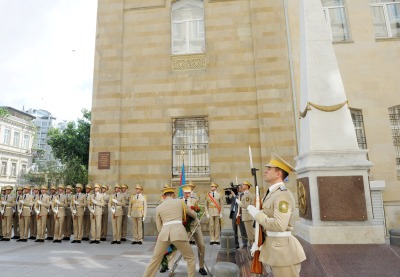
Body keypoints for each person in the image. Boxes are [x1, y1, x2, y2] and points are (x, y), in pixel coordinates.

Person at [247, 153, 306, 277]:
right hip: (274, 246)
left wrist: (257, 215)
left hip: (283, 251)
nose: (265, 171)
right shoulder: (272, 193)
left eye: (269, 169)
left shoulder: (282, 194)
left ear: (278, 174)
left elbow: (279, 225)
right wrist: (258, 243)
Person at [143, 186, 195, 277]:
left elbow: (159, 226)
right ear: (173, 195)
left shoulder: (159, 207)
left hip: (164, 234)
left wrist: (162, 235)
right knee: (190, 258)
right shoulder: (180, 202)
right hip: (178, 233)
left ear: (163, 196)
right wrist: (196, 216)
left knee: (155, 259)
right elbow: (192, 213)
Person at [181, 184, 207, 275]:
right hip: (185, 227)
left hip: (196, 226)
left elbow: (198, 211)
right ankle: (190, 266)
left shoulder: (195, 200)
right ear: (183, 192)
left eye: (189, 192)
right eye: (186, 192)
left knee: (202, 245)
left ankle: (201, 266)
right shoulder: (179, 201)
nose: (188, 194)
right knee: (185, 248)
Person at [229, 184, 248, 249]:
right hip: (233, 213)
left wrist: (234, 195)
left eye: (239, 188)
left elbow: (239, 202)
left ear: (242, 188)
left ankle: (245, 243)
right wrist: (228, 195)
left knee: (242, 229)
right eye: (237, 188)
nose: (238, 189)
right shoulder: (236, 195)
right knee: (234, 230)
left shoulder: (243, 195)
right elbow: (228, 201)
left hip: (239, 213)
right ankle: (236, 244)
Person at [236, 180, 255, 246]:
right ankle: (252, 247)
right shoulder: (245, 194)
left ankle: (253, 247)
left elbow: (247, 206)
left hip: (247, 216)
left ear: (247, 186)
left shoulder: (247, 195)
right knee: (249, 233)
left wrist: (239, 203)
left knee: (250, 234)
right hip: (246, 216)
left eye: (243, 184)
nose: (242, 185)